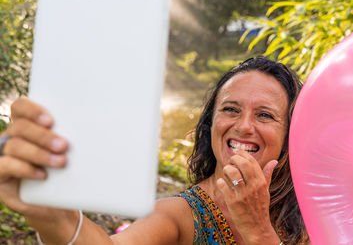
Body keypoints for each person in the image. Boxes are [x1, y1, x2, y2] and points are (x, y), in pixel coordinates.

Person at [0, 57, 309, 245]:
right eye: (230, 109)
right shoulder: (182, 214)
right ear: (210, 124)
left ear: (290, 133)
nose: (243, 126)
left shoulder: (313, 208)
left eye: (265, 115)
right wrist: (49, 212)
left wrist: (259, 232)